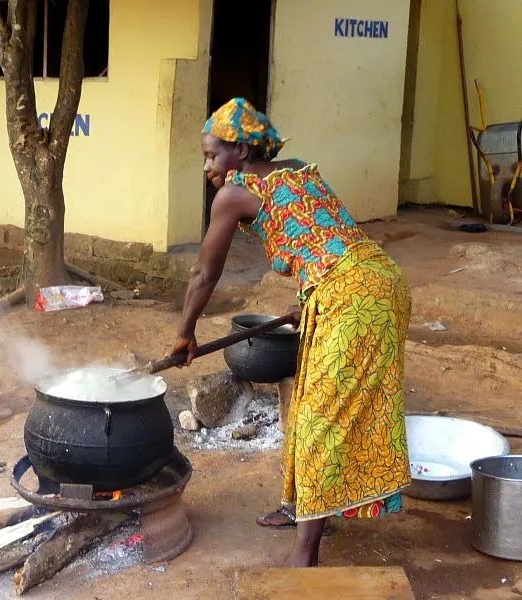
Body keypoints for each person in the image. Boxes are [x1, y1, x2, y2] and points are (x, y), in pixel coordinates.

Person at [170, 98, 412, 567]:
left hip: (353, 298)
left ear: (240, 152)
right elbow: (325, 236)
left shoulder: (233, 195)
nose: (207, 167)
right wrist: (310, 297)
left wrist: (185, 333)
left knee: (324, 418)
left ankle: (305, 555)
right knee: (307, 404)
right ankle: (298, 506)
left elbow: (204, 274)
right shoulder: (299, 168)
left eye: (211, 155)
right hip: (375, 281)